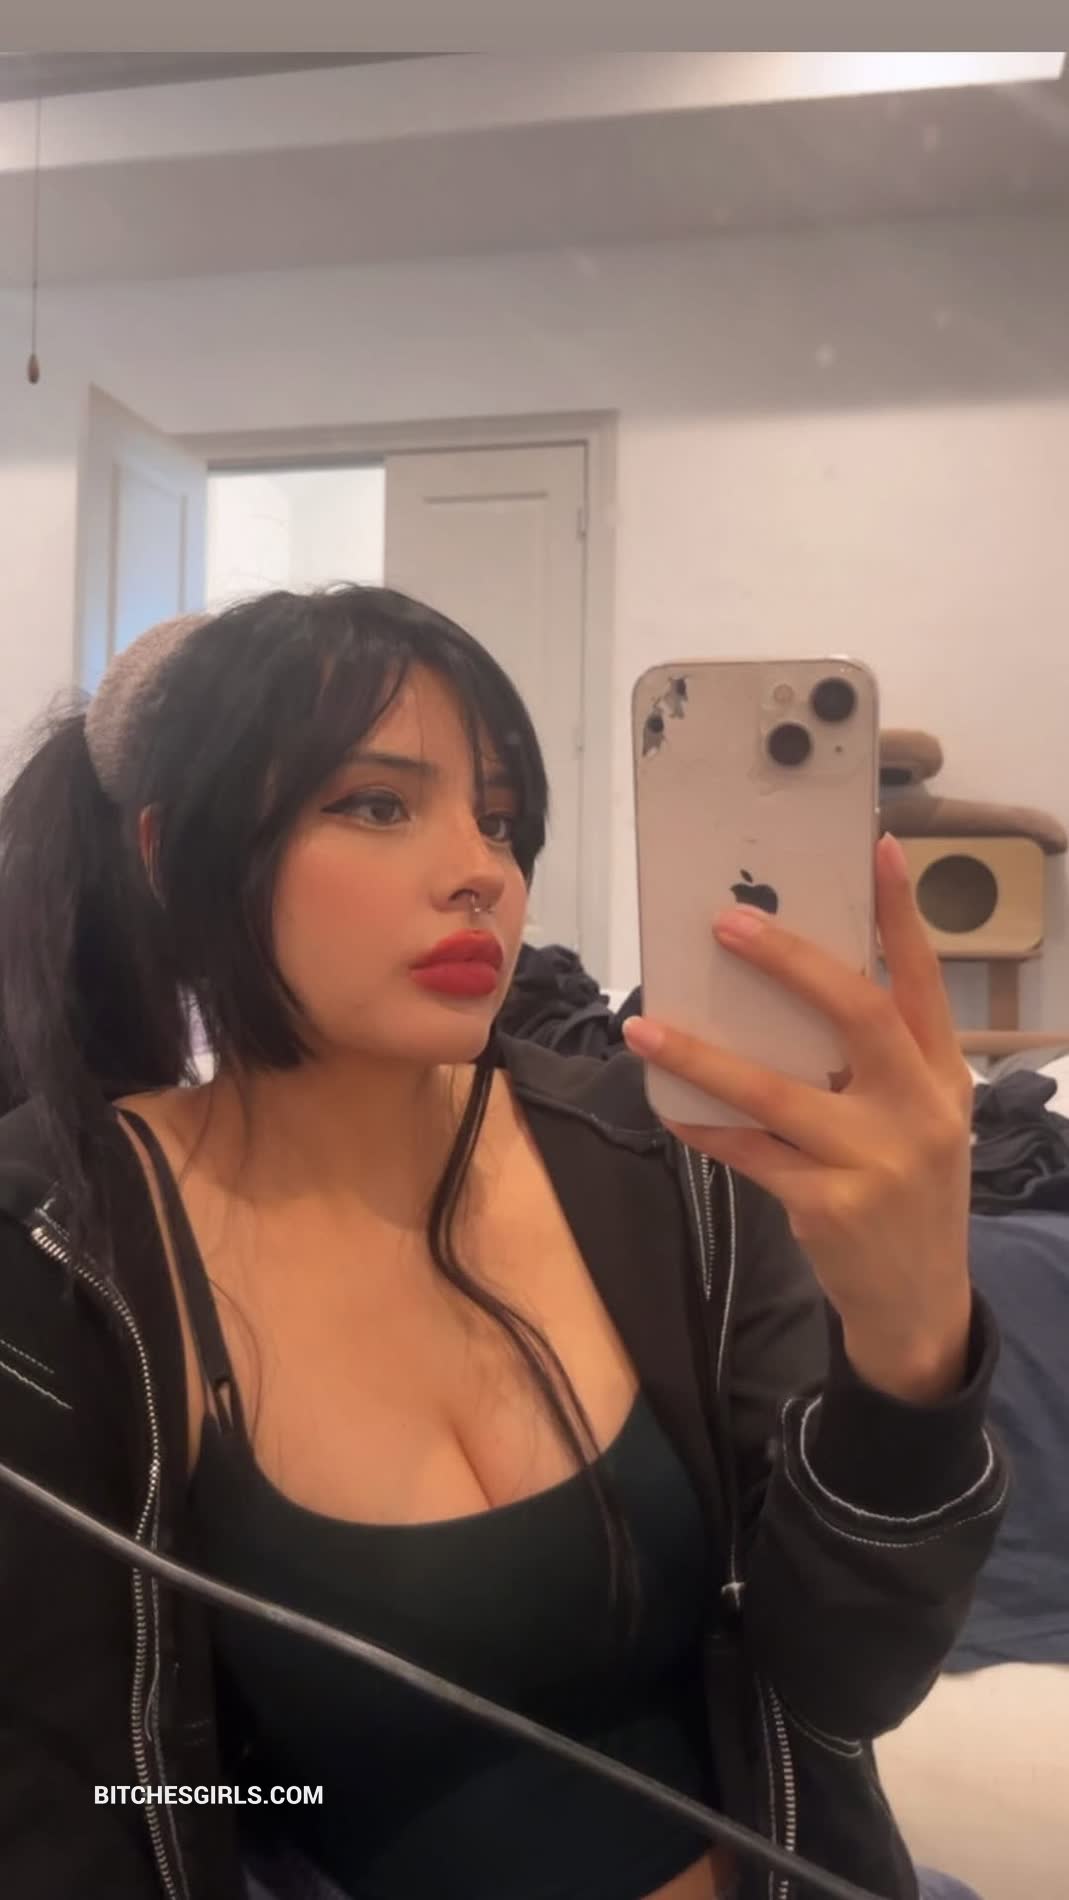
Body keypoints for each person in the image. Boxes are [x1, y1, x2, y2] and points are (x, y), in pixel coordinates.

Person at [0, 585, 1005, 1900]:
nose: (482, 870)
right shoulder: (59, 1240)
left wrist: (910, 1342)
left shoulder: (668, 1165)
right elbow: (94, 1803)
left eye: (500, 819)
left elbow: (841, 1688)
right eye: (377, 804)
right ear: (168, 854)